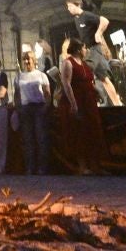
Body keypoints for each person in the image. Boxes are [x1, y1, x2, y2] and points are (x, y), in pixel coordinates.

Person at [53, 38, 107, 174]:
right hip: (78, 101)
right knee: (79, 133)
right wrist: (73, 103)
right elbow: (66, 83)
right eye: (84, 48)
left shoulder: (84, 64)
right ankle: (83, 166)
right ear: (78, 49)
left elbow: (88, 82)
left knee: (92, 132)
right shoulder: (68, 63)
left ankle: (94, 165)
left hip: (89, 102)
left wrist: (97, 92)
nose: (86, 50)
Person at [13, 50, 52, 174]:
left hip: (39, 107)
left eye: (29, 58)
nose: (27, 61)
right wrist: (18, 107)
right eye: (24, 59)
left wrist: (46, 106)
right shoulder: (19, 76)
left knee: (41, 138)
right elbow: (16, 94)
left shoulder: (41, 75)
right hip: (25, 109)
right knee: (27, 139)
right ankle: (30, 167)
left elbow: (47, 93)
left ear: (34, 60)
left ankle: (42, 168)